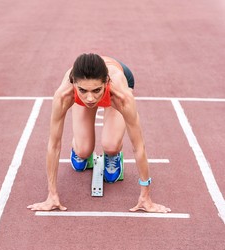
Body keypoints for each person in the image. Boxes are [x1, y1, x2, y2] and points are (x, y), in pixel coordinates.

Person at [27, 53, 171, 213]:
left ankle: (114, 155)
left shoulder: (122, 96)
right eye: (82, 90)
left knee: (111, 146)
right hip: (89, 85)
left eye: (96, 91)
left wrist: (146, 196)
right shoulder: (64, 95)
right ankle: (79, 148)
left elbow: (138, 146)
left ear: (106, 82)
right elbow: (54, 145)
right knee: (83, 150)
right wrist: (51, 195)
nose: (90, 98)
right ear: (74, 83)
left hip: (117, 82)